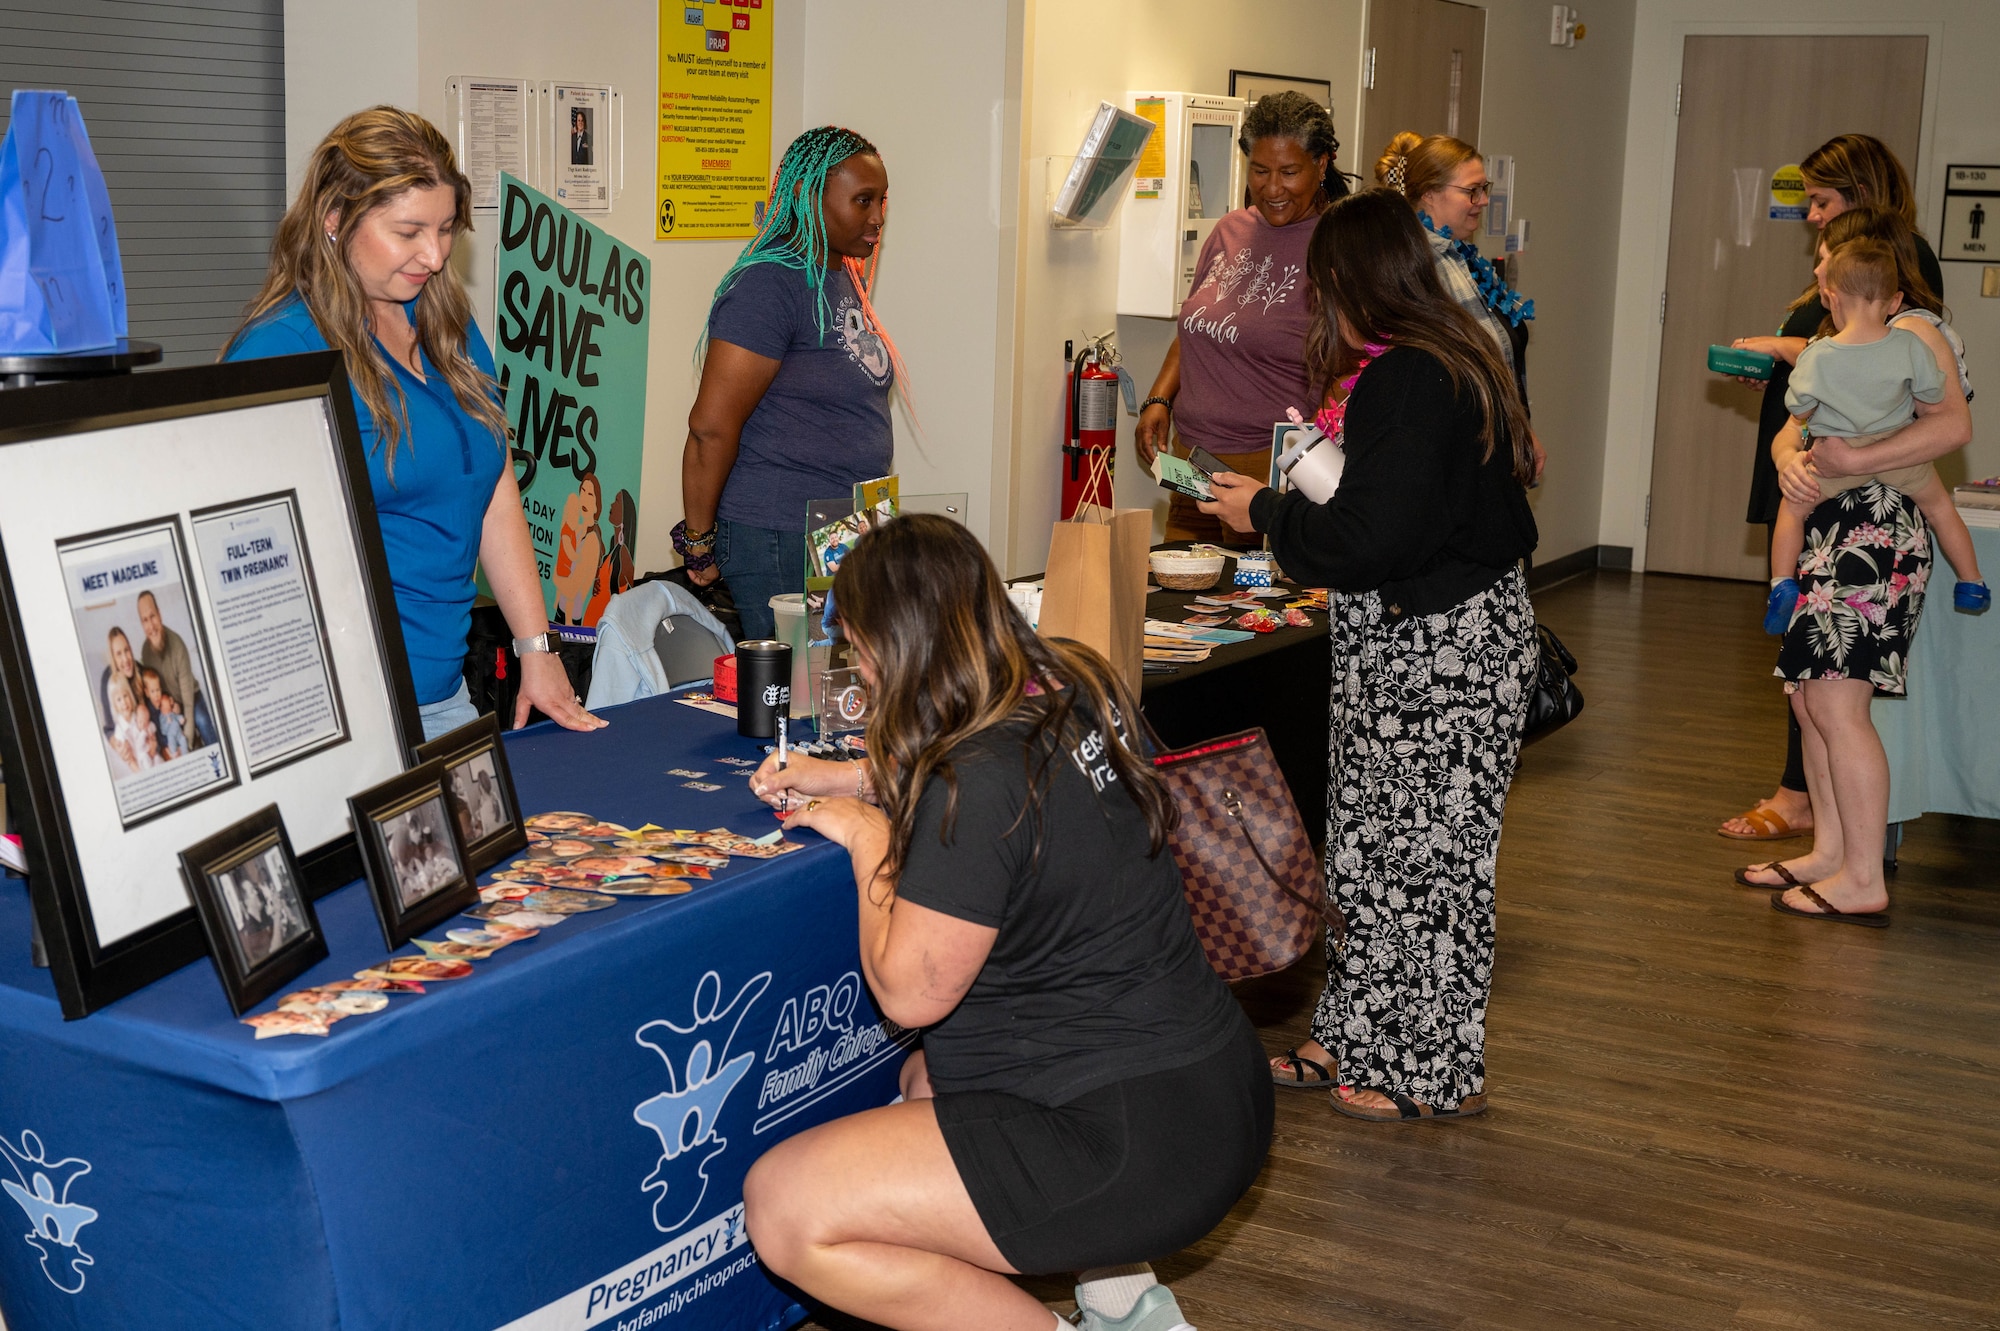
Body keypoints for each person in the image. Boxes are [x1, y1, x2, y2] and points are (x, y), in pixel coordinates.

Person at [739, 515, 1271, 1331]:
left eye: (861, 648)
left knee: (784, 1207)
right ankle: (1132, 1308)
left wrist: (868, 837)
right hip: (1213, 1087)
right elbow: (983, 770)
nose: (863, 672)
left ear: (900, 643)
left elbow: (909, 992)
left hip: (1133, 1139)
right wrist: (849, 774)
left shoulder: (974, 783)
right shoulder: (1072, 689)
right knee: (924, 1080)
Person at [1202, 190, 1539, 1120]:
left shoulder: (1413, 379)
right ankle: (1354, 1034)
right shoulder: (1439, 361)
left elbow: (1370, 538)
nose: (1316, 307)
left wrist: (1266, 513)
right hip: (1421, 645)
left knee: (1429, 867)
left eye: (1321, 288)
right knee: (1371, 856)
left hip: (1440, 655)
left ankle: (1429, 1071)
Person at [222, 106, 602, 741]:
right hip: (338, 711)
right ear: (335, 222)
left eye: (447, 228)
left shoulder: (442, 322)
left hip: (443, 691)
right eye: (408, 232)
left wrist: (537, 647)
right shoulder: (281, 352)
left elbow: (490, 482)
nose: (433, 254)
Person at [1735, 224, 1974, 924]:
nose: (1814, 269)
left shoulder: (1915, 336)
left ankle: (1863, 876)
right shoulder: (1830, 349)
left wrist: (1847, 462)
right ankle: (1832, 851)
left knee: (1839, 704)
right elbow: (1797, 427)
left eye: (1823, 256)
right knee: (1810, 700)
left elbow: (1948, 430)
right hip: (1834, 527)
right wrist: (1790, 457)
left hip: (1877, 527)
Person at [1719, 133, 1941, 842]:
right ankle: (1818, 824)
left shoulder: (1897, 276)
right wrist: (1789, 436)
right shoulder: (1837, 268)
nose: (1811, 215)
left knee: (1831, 684)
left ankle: (1835, 836)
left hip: (1862, 507)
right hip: (1813, 478)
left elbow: (1903, 386)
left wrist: (1793, 351)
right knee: (1806, 673)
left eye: (1822, 200)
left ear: (1863, 197)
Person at [677, 126, 911, 640]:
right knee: (801, 702)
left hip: (846, 526)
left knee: (840, 692)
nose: (878, 217)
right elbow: (710, 429)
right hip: (781, 534)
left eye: (882, 200)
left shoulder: (838, 272)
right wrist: (698, 541)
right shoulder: (769, 285)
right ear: (810, 198)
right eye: (863, 200)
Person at [1134, 91, 1345, 544]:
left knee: (1254, 611)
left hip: (1267, 471)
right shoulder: (1230, 230)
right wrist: (1158, 399)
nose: (1272, 188)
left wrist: (1305, 462)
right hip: (1191, 460)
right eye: (1260, 171)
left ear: (1321, 165)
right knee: (1180, 602)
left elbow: (1351, 364)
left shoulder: (1337, 243)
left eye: (1289, 172)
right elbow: (1197, 329)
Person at [1764, 239, 1985, 631]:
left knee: (1792, 508)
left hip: (1836, 455)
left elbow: (1799, 408)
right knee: (1940, 509)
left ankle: (1781, 584)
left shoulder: (1818, 354)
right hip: (1897, 454)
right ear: (1895, 300)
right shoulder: (1911, 345)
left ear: (1831, 298)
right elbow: (1933, 392)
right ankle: (1971, 581)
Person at [1374, 131, 1541, 482]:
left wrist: (1521, 430)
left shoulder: (1462, 257)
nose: (1482, 201)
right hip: (1463, 458)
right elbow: (1476, 360)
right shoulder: (1424, 263)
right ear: (1430, 193)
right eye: (1471, 191)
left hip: (1490, 446)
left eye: (1485, 188)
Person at [136, 590, 216, 748]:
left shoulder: (178, 646)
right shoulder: (145, 651)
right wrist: (169, 706)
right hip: (169, 704)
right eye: (145, 620)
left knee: (202, 720)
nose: (150, 626)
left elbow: (187, 703)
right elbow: (153, 689)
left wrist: (188, 743)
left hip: (190, 697)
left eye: (152, 616)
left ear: (159, 615)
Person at [140, 668, 191, 760]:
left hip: (175, 733)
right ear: (147, 693)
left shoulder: (165, 699)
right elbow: (158, 735)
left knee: (183, 743)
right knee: (168, 754)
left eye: (158, 690)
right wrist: (168, 743)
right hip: (163, 742)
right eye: (152, 691)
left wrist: (175, 707)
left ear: (161, 689)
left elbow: (174, 714)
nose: (156, 695)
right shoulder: (150, 711)